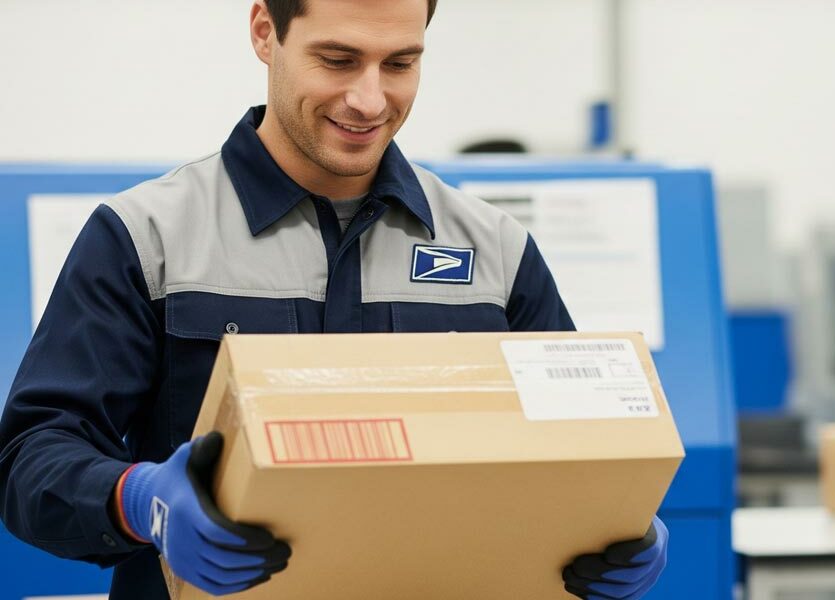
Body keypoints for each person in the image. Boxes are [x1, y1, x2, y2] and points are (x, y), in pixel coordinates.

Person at [0, 1, 668, 598]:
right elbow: (33, 458)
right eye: (339, 60)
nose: (371, 100)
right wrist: (139, 499)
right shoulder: (148, 238)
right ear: (266, 32)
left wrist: (621, 522)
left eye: (400, 63)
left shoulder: (494, 250)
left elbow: (579, 444)